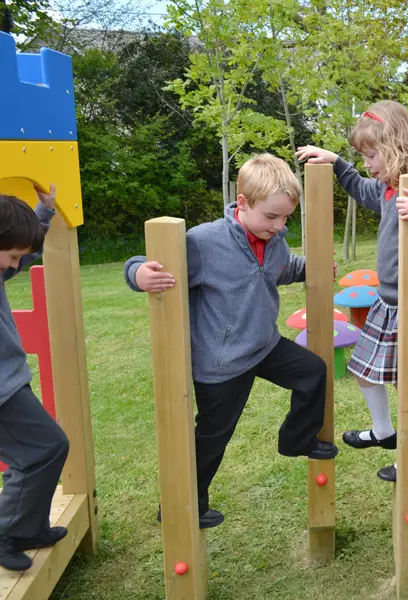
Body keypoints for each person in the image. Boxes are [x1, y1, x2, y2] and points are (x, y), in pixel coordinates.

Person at [124, 154, 338, 529]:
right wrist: (138, 272)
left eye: (286, 217)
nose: (278, 225)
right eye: (271, 217)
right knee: (212, 437)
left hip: (263, 345)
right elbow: (154, 262)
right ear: (242, 203)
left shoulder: (274, 241)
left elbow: (279, 270)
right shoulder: (204, 242)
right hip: (220, 361)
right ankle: (182, 504)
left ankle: (295, 439)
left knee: (312, 371)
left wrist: (310, 267)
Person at [296, 100, 408, 482]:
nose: (369, 164)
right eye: (365, 156)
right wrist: (338, 162)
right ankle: (384, 432)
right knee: (363, 370)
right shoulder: (388, 188)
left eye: (372, 155)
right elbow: (359, 187)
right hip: (388, 302)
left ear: (395, 145)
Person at [0, 186, 70, 571]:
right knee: (41, 450)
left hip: (9, 380)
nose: (14, 266)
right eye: (12, 256)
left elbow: (18, 250)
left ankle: (28, 527)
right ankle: (7, 532)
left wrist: (42, 213)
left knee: (43, 450)